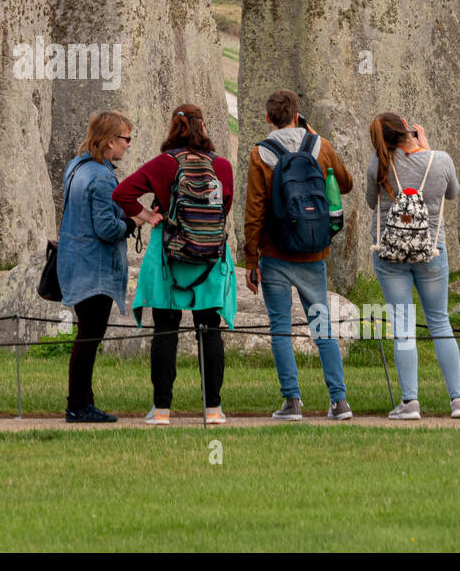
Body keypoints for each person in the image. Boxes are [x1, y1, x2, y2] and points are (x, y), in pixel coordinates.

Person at [113, 104, 236, 425]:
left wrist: (148, 215)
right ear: (203, 127)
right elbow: (225, 206)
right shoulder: (221, 166)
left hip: (171, 256)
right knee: (209, 332)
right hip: (208, 259)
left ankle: (162, 410)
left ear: (173, 128)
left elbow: (121, 193)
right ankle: (213, 410)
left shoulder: (164, 164)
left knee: (165, 330)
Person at [243, 89, 354, 421]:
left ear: (267, 118)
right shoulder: (320, 146)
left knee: (280, 328)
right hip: (313, 252)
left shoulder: (260, 154)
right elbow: (345, 184)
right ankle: (339, 401)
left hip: (275, 254)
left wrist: (251, 259)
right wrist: (318, 140)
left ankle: (292, 402)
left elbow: (254, 212)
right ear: (297, 114)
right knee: (322, 326)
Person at [366, 112, 460, 420]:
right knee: (440, 322)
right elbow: (453, 192)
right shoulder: (440, 160)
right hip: (432, 249)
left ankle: (410, 403)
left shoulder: (378, 164)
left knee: (403, 327)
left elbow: (372, 203)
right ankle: (459, 401)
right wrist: (426, 150)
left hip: (390, 252)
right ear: (408, 131)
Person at [58, 110, 158, 423]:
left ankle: (83, 400)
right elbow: (105, 228)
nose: (128, 145)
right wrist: (129, 223)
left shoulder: (77, 167)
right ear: (110, 141)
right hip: (95, 267)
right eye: (126, 139)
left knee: (85, 334)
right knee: (89, 336)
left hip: (73, 260)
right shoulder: (101, 177)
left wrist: (139, 215)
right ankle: (77, 405)